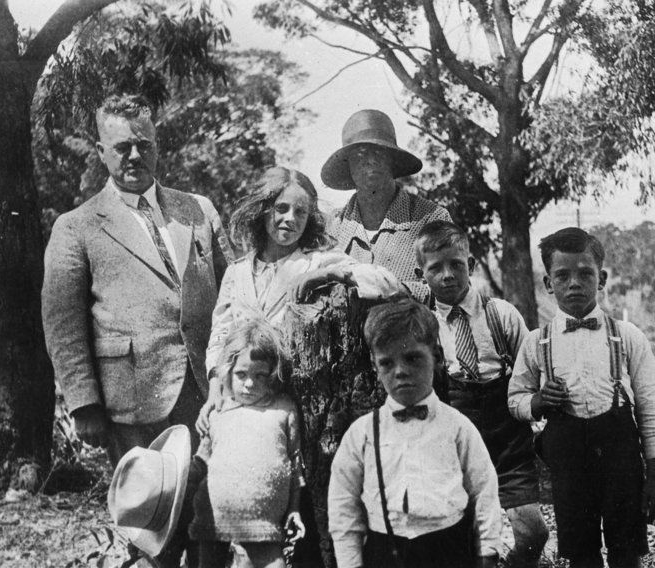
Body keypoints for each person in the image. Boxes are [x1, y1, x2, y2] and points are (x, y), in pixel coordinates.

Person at [42, 93, 233, 567]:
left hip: (206, 391)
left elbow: (234, 293)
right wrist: (84, 403)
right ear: (101, 150)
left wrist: (233, 373)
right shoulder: (77, 226)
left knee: (211, 520)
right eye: (121, 146)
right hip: (131, 399)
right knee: (153, 527)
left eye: (143, 144)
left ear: (157, 144)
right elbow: (62, 322)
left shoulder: (198, 210)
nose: (133, 155)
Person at [507, 227, 655, 568]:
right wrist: (537, 402)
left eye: (585, 274)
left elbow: (651, 409)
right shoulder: (537, 342)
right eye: (563, 276)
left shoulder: (627, 336)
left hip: (620, 453)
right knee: (580, 551)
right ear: (549, 283)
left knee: (626, 548)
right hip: (568, 459)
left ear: (602, 278)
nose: (574, 283)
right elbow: (515, 399)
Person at [202, 165, 404, 422]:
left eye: (301, 212)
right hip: (246, 396)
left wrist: (327, 275)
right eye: (281, 208)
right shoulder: (236, 272)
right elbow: (220, 335)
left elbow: (387, 282)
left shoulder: (316, 262)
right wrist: (215, 387)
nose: (290, 219)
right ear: (262, 209)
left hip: (298, 403)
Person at [328, 298, 503, 568]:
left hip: (449, 548)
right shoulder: (362, 434)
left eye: (412, 358)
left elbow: (483, 489)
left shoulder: (457, 426)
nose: (400, 371)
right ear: (375, 366)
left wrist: (488, 550)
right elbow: (343, 505)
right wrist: (350, 563)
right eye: (387, 363)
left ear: (436, 355)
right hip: (386, 551)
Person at [413, 220, 549, 568]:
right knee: (468, 542)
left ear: (470, 265)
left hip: (508, 443)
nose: (447, 275)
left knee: (534, 534)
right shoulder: (425, 326)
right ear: (421, 274)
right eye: (436, 268)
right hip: (457, 443)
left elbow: (531, 371)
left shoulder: (501, 314)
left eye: (456, 265)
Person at [189, 318, 307, 568]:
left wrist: (294, 510)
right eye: (241, 374)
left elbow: (295, 465)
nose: (250, 383)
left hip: (264, 524)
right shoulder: (219, 412)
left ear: (273, 374)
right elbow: (201, 460)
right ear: (227, 372)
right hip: (213, 519)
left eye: (260, 375)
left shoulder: (283, 410)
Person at [321, 109, 452, 301]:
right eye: (360, 155)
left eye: (379, 153)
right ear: (348, 166)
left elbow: (454, 289)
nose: (371, 161)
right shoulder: (332, 227)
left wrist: (396, 291)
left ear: (392, 159)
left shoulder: (431, 219)